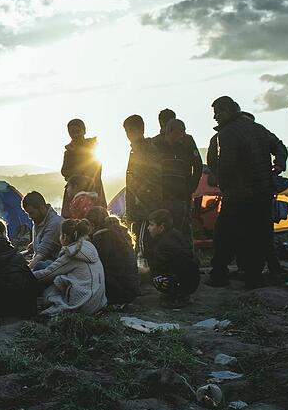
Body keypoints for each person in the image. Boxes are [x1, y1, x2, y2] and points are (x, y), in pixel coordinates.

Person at [205, 96, 286, 289]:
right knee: (258, 234)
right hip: (263, 192)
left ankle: (219, 274)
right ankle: (253, 276)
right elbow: (280, 147)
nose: (215, 116)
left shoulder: (228, 133)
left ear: (229, 111)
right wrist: (279, 164)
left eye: (218, 112)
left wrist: (224, 186)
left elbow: (226, 165)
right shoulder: (259, 129)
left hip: (239, 194)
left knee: (223, 234)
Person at [32, 219, 107, 316]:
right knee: (48, 264)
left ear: (65, 236)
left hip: (83, 306)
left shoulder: (72, 254)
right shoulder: (88, 247)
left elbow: (46, 274)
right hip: (98, 304)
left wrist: (25, 273)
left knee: (47, 289)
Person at [156, 118, 202, 238]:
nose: (182, 135)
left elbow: (198, 165)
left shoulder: (187, 141)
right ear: (169, 131)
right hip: (162, 196)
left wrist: (191, 188)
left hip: (182, 196)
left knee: (184, 228)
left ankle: (187, 254)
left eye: (184, 131)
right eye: (179, 132)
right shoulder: (156, 144)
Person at [146, 208, 200, 306]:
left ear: (161, 227)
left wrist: (144, 271)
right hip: (192, 280)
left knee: (153, 276)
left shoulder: (163, 244)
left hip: (183, 282)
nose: (148, 228)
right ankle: (180, 293)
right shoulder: (176, 234)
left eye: (151, 225)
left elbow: (158, 267)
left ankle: (176, 296)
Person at [86, 206, 139, 306]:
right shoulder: (120, 232)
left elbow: (95, 265)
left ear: (92, 224)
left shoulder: (101, 237)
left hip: (118, 293)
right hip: (131, 287)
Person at [123, 114, 160, 252]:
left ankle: (148, 271)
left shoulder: (147, 149)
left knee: (143, 245)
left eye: (132, 130)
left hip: (146, 206)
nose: (129, 134)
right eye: (127, 131)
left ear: (141, 129)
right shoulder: (135, 150)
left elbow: (153, 177)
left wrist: (141, 199)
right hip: (138, 205)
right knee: (142, 241)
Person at [61, 119, 106, 218]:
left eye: (78, 131)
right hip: (74, 189)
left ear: (84, 131)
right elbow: (64, 171)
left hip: (92, 189)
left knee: (95, 218)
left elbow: (96, 170)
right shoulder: (69, 151)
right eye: (72, 132)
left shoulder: (91, 149)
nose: (76, 135)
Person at [22, 191, 62, 269]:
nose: (30, 217)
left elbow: (42, 253)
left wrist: (27, 270)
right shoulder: (39, 220)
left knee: (40, 266)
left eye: (31, 213)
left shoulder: (55, 223)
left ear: (42, 208)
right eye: (28, 214)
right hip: (41, 260)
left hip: (54, 264)